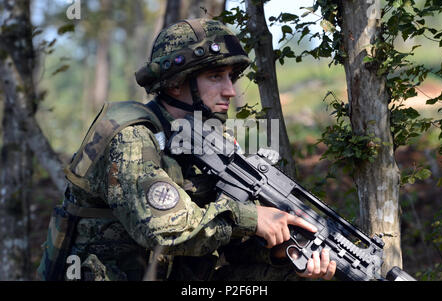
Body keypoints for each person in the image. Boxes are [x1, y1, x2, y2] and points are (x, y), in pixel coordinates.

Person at [38, 18, 335, 281]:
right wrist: (253, 218)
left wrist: (281, 252)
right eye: (216, 77)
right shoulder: (132, 137)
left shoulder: (209, 140)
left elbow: (227, 242)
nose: (230, 90)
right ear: (176, 83)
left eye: (232, 76)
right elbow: (163, 230)